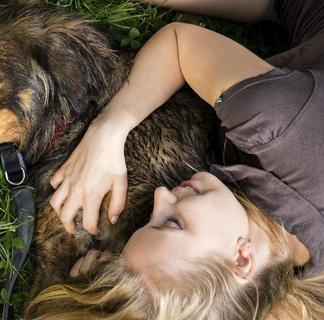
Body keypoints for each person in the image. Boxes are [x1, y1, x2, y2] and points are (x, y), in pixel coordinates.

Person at [25, 0, 324, 319]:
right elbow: (180, 44)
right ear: (241, 259)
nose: (161, 196)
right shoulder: (275, 128)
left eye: (150, 221)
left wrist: (112, 290)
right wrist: (108, 132)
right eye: (172, 222)